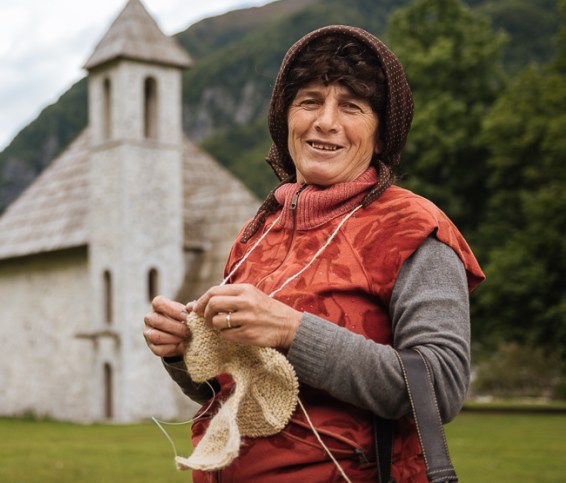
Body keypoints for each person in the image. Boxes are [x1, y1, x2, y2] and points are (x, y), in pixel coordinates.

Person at [143, 25, 485, 482]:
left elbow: (439, 387)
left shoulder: (416, 229)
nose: (325, 121)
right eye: (309, 101)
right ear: (286, 119)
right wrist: (185, 351)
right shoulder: (257, 233)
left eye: (351, 106)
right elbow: (235, 390)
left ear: (381, 135)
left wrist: (291, 330)